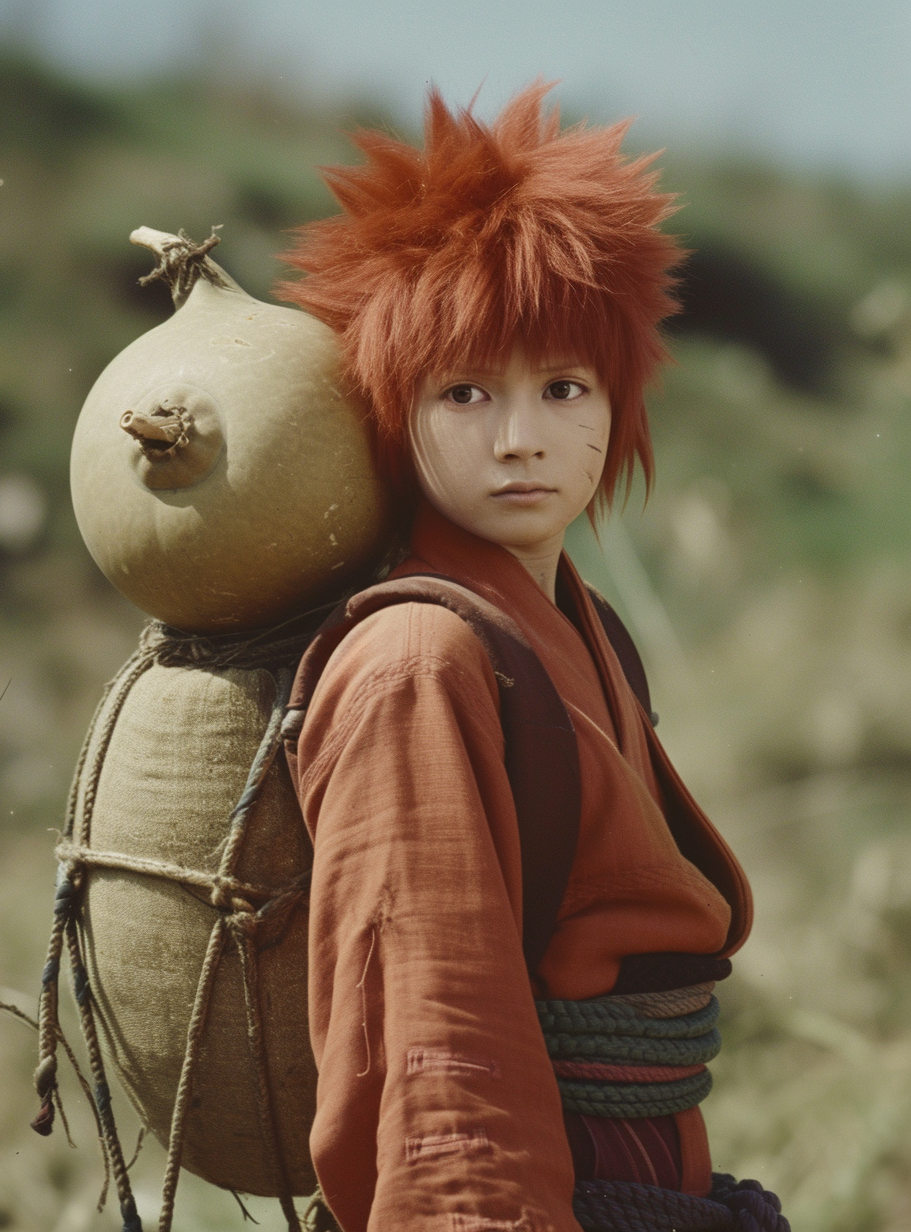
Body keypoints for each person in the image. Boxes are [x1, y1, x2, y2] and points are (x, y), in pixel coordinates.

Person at [277, 83, 774, 1232]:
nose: (520, 437)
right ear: (396, 414)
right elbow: (438, 1059)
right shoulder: (418, 659)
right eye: (465, 392)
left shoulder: (581, 623)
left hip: (643, 1180)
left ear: (618, 400)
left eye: (563, 386)